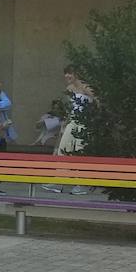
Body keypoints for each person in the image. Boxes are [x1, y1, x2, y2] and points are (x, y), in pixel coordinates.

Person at [43, 67, 94, 195]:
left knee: (80, 151)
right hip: (72, 122)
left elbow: (97, 102)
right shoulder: (69, 89)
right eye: (65, 73)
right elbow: (69, 108)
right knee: (63, 150)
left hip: (84, 122)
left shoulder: (86, 87)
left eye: (69, 73)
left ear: (76, 74)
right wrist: (64, 124)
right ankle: (58, 182)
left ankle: (81, 184)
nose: (67, 76)